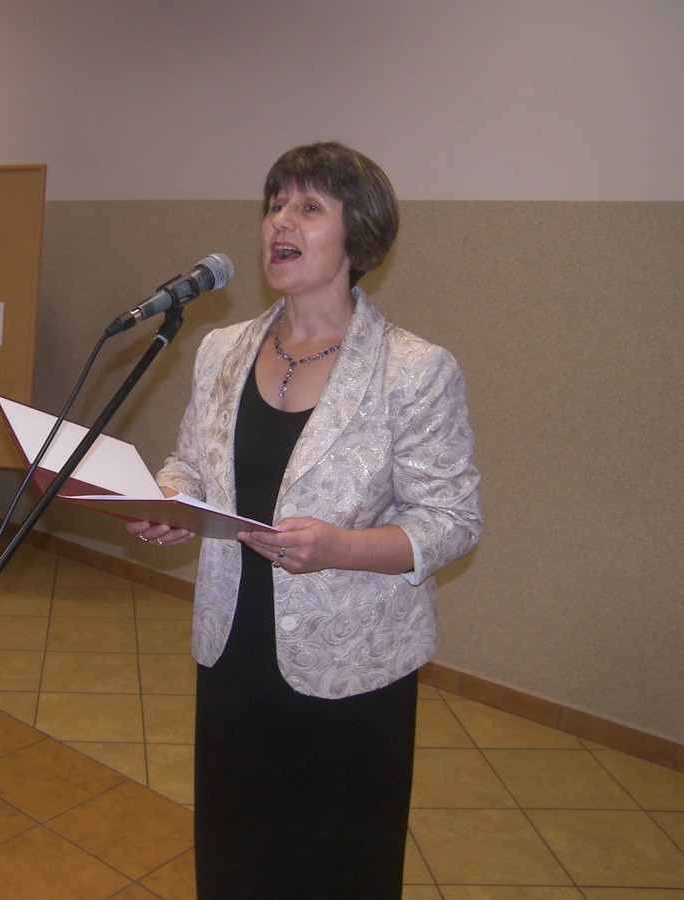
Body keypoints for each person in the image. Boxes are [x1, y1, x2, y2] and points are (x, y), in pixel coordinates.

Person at [126, 141, 482, 898]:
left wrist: (341, 547)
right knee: (236, 861)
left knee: (335, 871)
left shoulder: (413, 370)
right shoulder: (221, 350)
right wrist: (168, 499)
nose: (280, 221)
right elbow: (191, 462)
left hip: (351, 671)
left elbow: (451, 521)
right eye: (274, 204)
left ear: (359, 237)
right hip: (233, 653)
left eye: (309, 207)